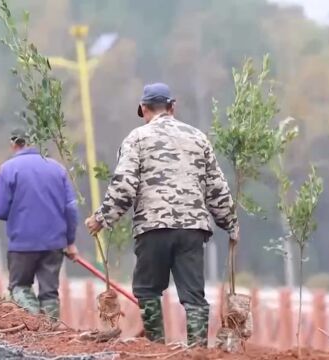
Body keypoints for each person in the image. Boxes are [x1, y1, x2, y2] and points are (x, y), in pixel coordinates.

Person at [84, 83, 239, 347]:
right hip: (192, 229)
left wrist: (102, 218)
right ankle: (198, 351)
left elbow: (124, 186)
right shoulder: (198, 138)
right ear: (172, 107)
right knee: (193, 295)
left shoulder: (137, 139)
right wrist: (230, 224)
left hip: (152, 228)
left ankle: (154, 349)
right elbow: (216, 188)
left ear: (144, 109)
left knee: (147, 290)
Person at [0, 129, 79, 320]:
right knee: (49, 292)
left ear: (14, 144)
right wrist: (70, 241)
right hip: (54, 243)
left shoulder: (8, 169)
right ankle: (51, 335)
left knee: (20, 286)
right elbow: (71, 208)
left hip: (22, 242)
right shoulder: (57, 168)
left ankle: (33, 328)